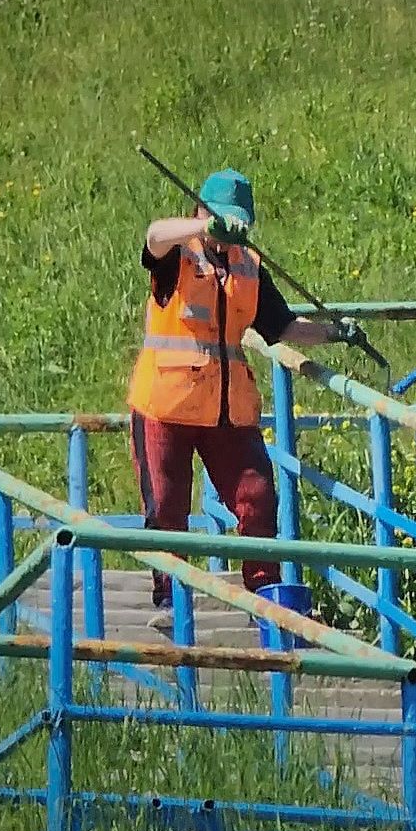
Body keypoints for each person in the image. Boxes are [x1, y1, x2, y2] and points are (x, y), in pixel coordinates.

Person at [128, 167, 364, 628]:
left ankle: (265, 597)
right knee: (167, 509)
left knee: (257, 497)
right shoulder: (176, 253)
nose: (230, 234)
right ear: (202, 211)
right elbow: (153, 235)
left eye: (238, 223)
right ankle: (171, 602)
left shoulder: (248, 265)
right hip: (164, 406)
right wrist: (202, 227)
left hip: (227, 412)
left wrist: (337, 333)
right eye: (223, 221)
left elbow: (282, 327)